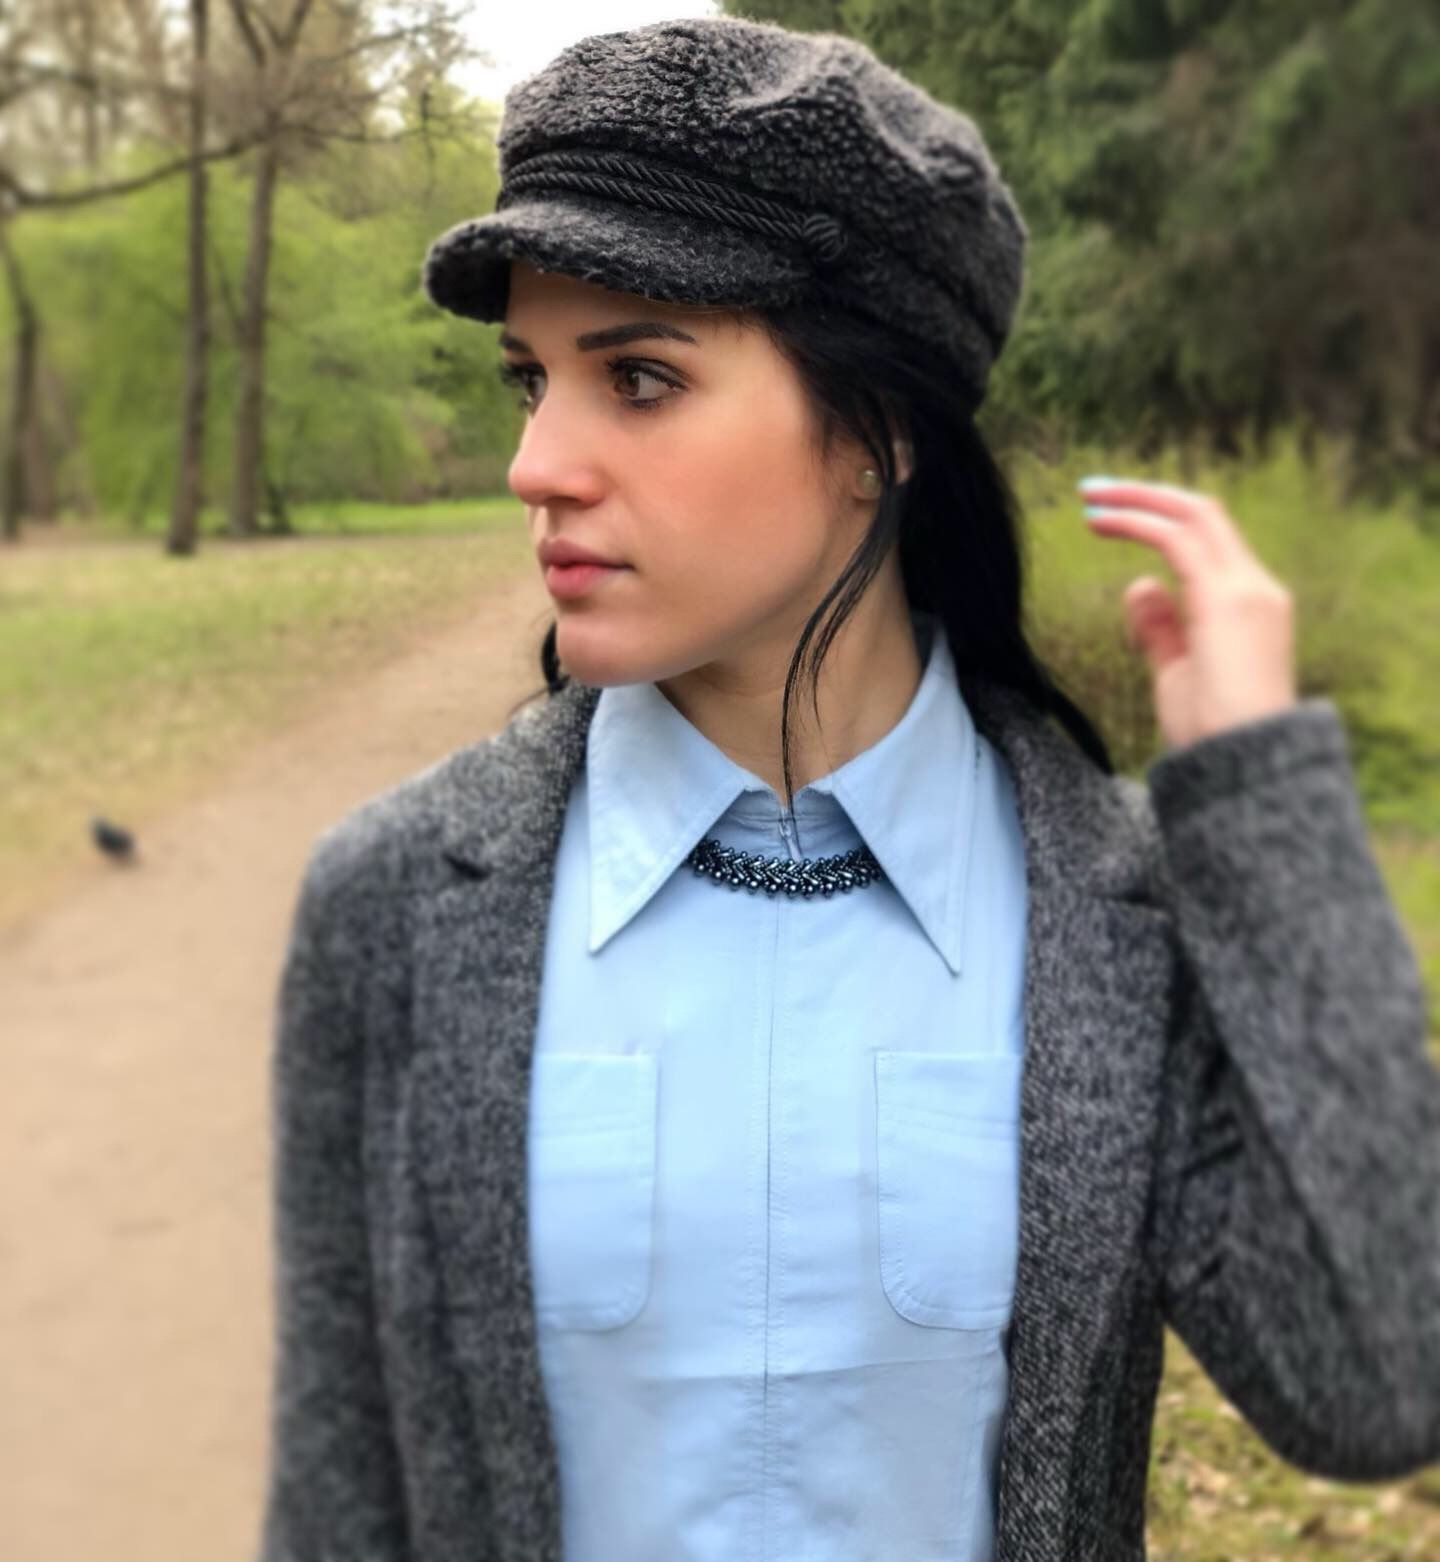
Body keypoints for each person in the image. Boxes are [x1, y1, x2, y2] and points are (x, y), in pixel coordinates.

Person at [255, 15, 1440, 1562]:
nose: (537, 462)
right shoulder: (397, 901)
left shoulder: (1122, 913)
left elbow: (1383, 1372)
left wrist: (1264, 807)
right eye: (531, 380)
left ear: (876, 431)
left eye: (639, 377)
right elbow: (339, 1507)